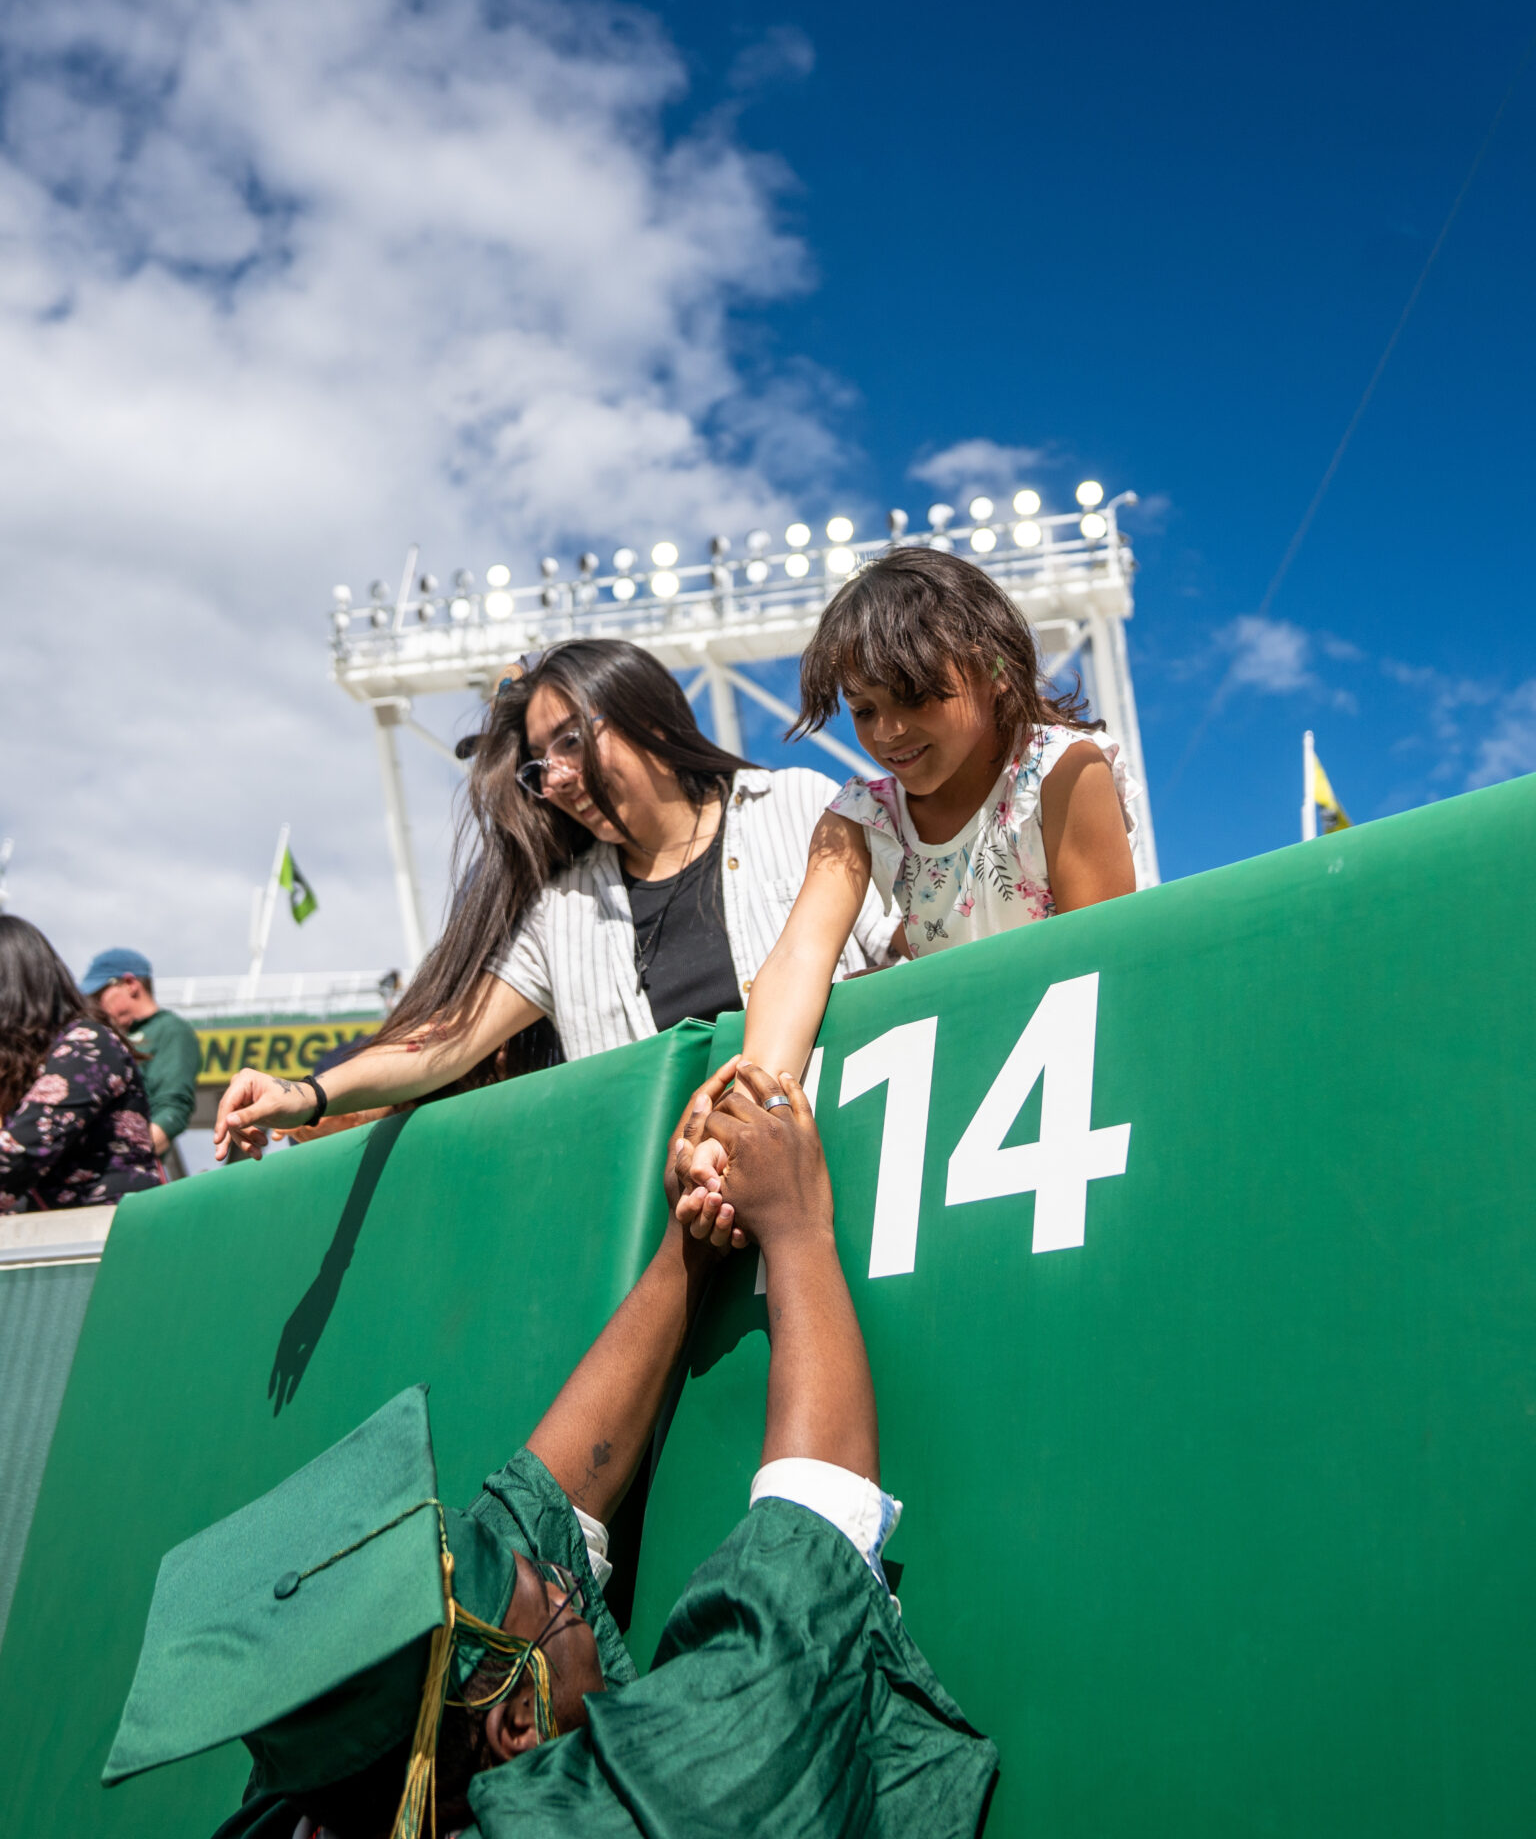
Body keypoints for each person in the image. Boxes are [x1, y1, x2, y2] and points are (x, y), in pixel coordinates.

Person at [105, 1061, 997, 1837]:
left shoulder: (327, 1789)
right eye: (550, 1590)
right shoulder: (650, 1810)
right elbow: (803, 1573)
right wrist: (797, 1228)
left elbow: (534, 1510)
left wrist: (685, 1247)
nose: (567, 1578)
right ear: (517, 1729)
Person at [211, 639, 896, 1160]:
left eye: (571, 740)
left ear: (649, 717)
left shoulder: (797, 806)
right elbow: (446, 1042)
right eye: (541, 765)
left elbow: (909, 957)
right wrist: (304, 1095)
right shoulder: (560, 910)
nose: (556, 778)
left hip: (839, 1166)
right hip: (671, 1224)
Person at [679, 546, 1140, 1205]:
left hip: (1070, 1089)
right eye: (863, 709)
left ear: (995, 668)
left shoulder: (1066, 772)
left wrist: (916, 986)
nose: (889, 731)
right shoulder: (859, 816)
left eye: (915, 695)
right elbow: (800, 958)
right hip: (958, 1088)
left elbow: (1100, 971)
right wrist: (748, 1120)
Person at [0, 918, 162, 1211]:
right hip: (58, 1230)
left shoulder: (88, 1045)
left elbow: (18, 1155)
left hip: (112, 1228)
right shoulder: (29, 1061)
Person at [82, 946, 201, 1176]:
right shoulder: (108, 1034)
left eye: (99, 995)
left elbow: (173, 1108)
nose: (95, 1005)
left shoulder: (170, 1030)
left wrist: (123, 1164)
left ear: (130, 984)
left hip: (122, 1176)